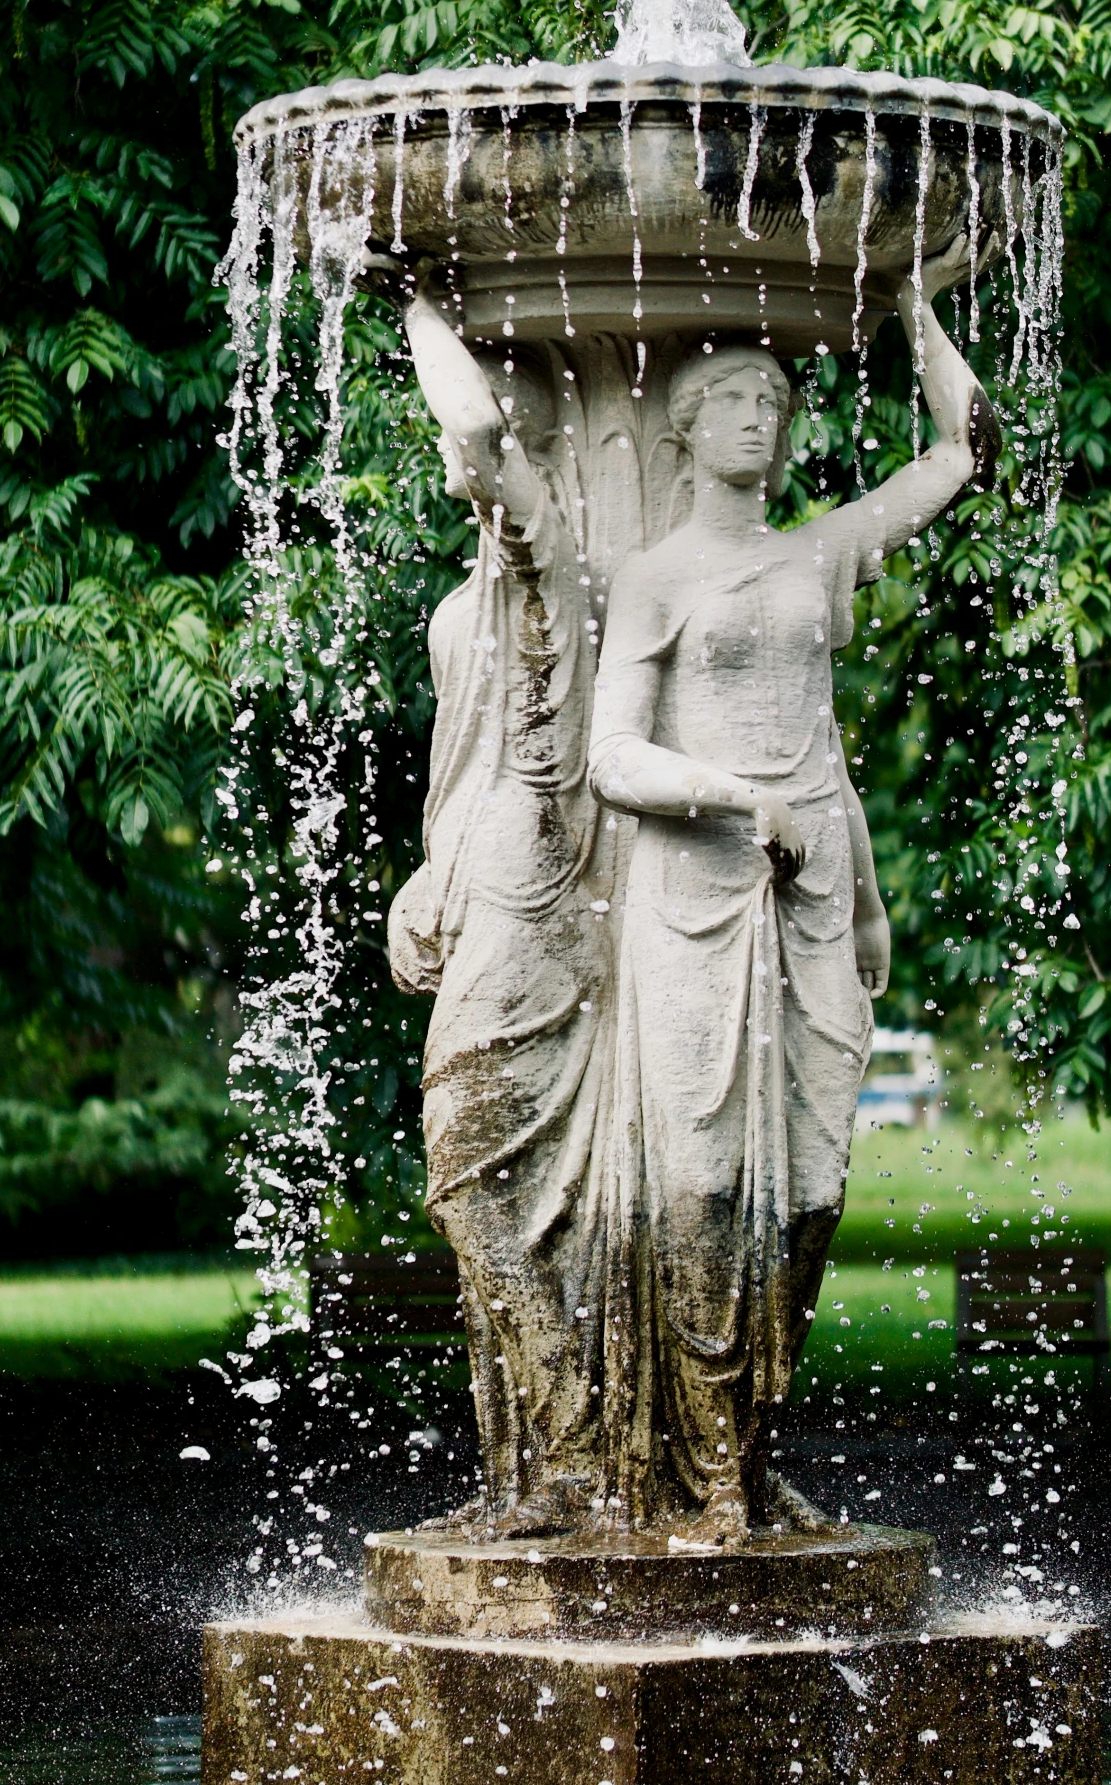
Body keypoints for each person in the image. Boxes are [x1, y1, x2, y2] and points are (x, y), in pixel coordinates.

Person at [588, 265, 992, 1540]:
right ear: (687, 430)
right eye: (733, 400)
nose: (760, 418)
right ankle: (705, 1478)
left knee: (809, 1190)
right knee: (705, 1184)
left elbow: (963, 452)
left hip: (816, 887)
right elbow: (612, 757)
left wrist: (918, 305)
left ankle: (751, 1452)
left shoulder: (818, 553)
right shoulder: (652, 577)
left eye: (774, 399)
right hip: (695, 895)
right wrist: (726, 796)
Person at [388, 288, 615, 1534]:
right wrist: (428, 876)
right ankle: (518, 1481)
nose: (448, 454)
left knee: (471, 1176)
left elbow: (473, 437)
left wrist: (414, 304)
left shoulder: (558, 568)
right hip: (484, 885)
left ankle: (576, 1442)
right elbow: (459, 770)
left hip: (545, 894)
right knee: (504, 1191)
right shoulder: (451, 615)